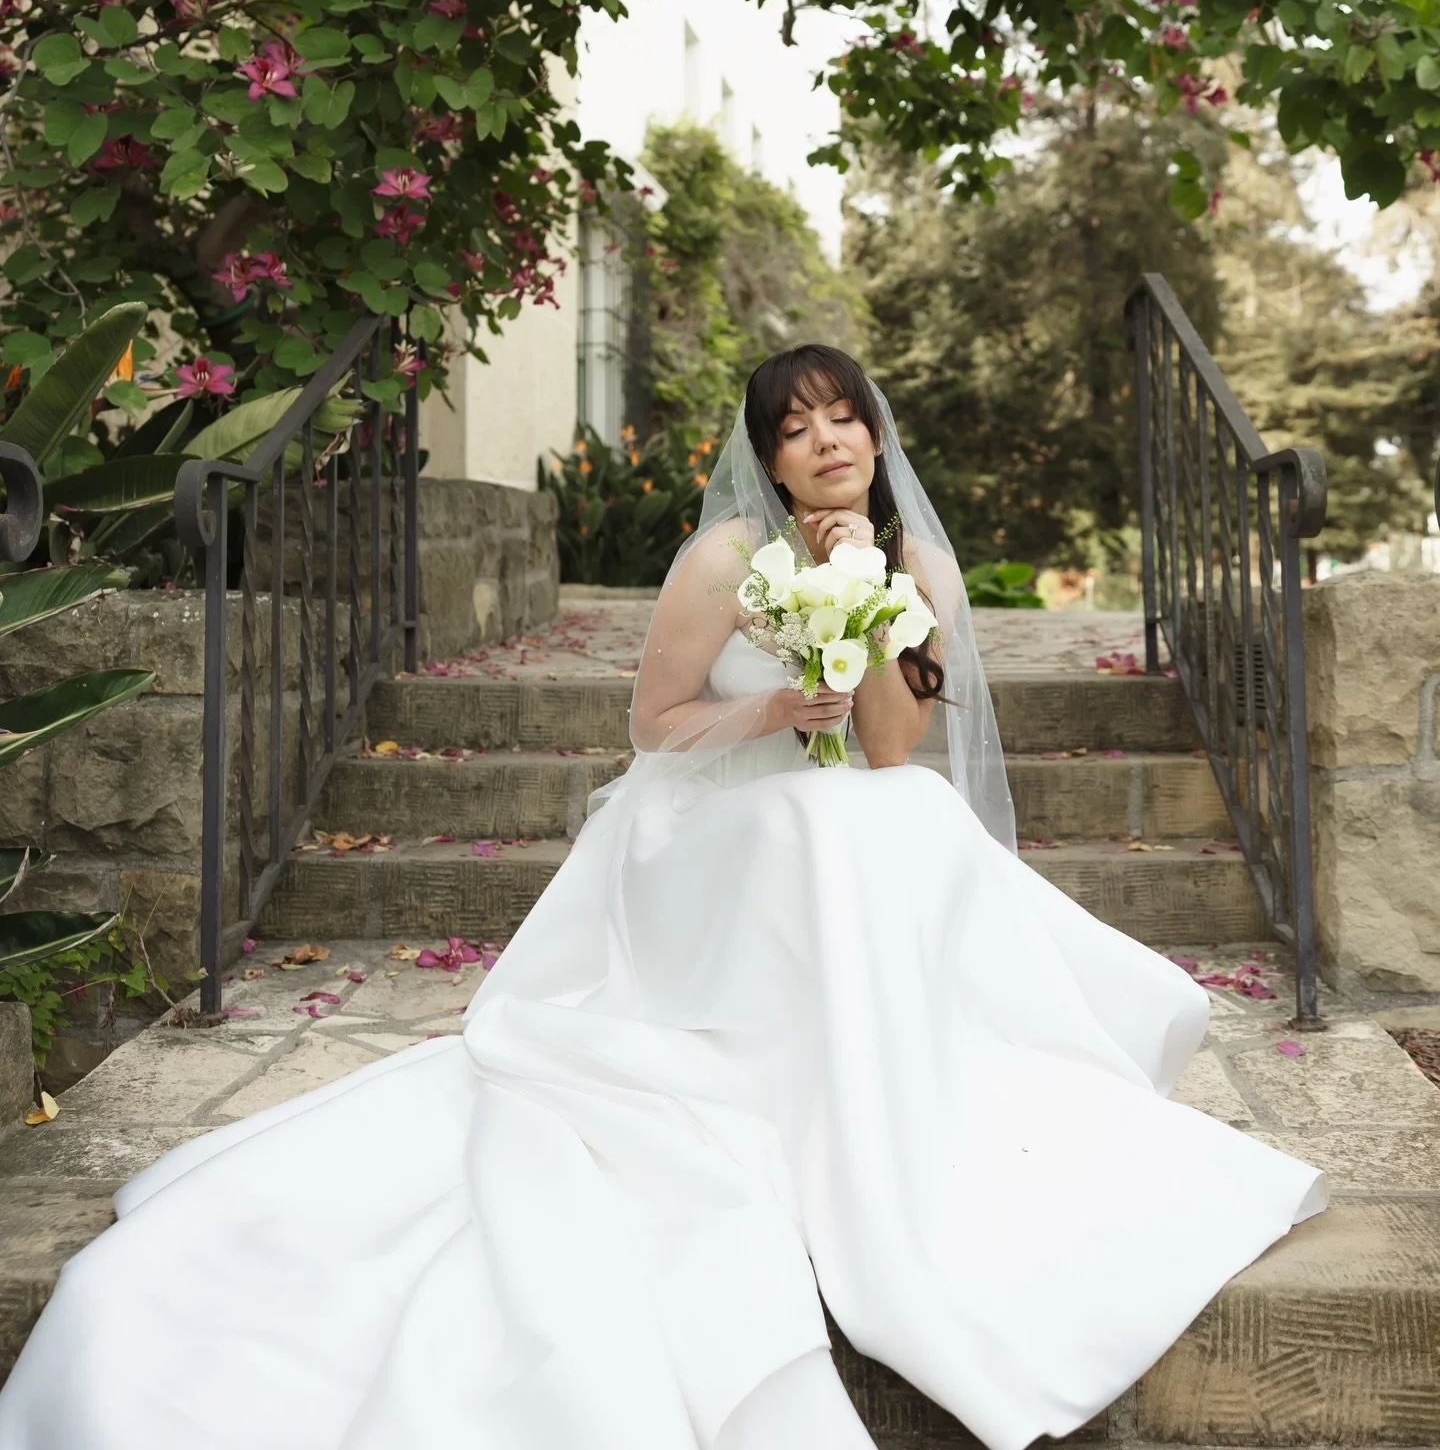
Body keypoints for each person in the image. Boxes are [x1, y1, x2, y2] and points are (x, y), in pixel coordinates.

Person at [0, 344, 1325, 1450]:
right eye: (795, 426)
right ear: (766, 452)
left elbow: (892, 747)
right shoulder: (721, 563)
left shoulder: (917, 567)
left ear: (873, 433)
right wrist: (767, 712)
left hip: (827, 819)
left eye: (842, 416)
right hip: (706, 826)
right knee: (812, 827)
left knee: (888, 817)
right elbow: (656, 723)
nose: (825, 439)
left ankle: (883, 1108)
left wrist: (866, 595)